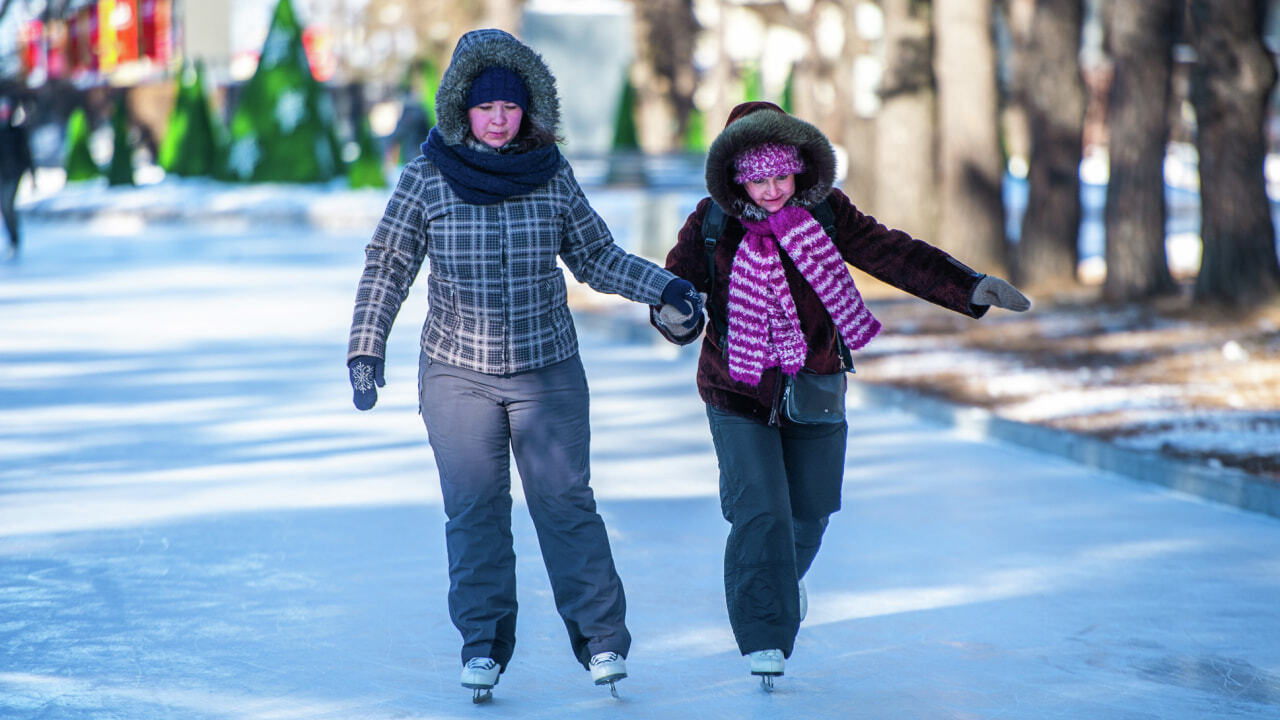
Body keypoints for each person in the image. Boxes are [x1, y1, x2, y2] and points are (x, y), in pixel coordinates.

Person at [345, 29, 701, 702]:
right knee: (475, 511)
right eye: (487, 108)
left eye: (511, 107)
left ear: (530, 108)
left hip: (547, 368)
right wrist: (366, 347)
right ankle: (481, 645)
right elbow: (389, 262)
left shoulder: (550, 172)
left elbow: (596, 257)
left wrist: (665, 288)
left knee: (567, 504)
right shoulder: (428, 174)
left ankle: (602, 642)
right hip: (457, 371)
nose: (500, 119)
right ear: (462, 110)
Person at [651, 101, 1030, 686]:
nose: (772, 189)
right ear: (734, 178)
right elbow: (679, 290)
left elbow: (892, 252)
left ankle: (779, 582)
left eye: (782, 175)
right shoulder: (712, 223)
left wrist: (969, 286)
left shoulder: (826, 213)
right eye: (757, 177)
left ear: (800, 169)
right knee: (761, 513)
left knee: (811, 511)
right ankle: (765, 639)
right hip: (736, 389)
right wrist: (675, 316)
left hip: (816, 382)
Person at [0, 97, 34, 260]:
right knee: (4, 208)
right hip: (2, 175)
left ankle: (15, 239)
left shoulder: (18, 132)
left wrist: (33, 175)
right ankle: (11, 238)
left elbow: (27, 154)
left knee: (8, 205)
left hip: (14, 174)